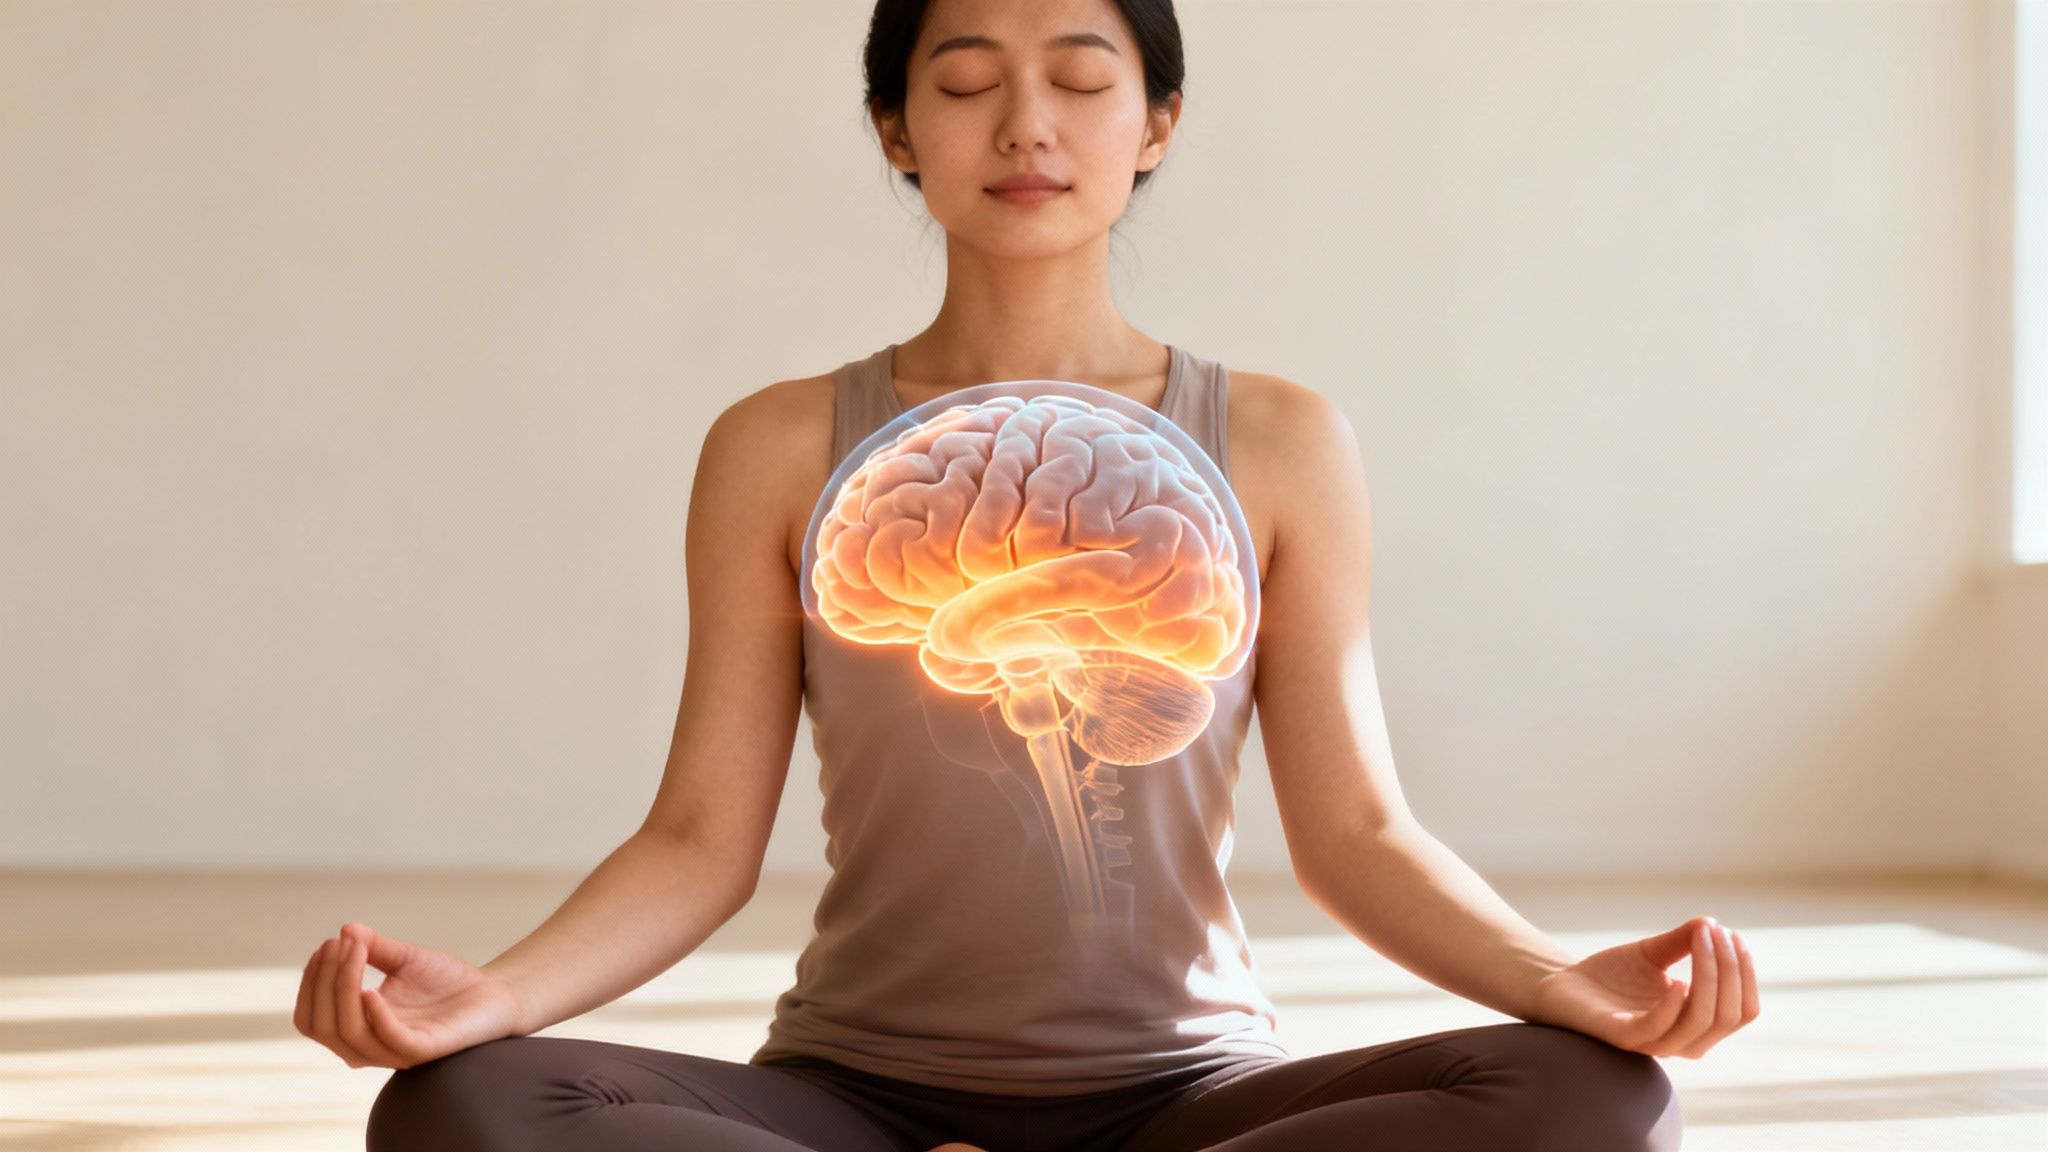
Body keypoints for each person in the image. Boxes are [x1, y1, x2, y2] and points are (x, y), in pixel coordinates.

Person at [297, 1, 1757, 1148]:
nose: (1026, 124)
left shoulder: (1283, 443)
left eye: (1080, 73)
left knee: (1600, 1106)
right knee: (458, 1109)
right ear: (895, 126)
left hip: (1189, 1102)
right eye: (965, 76)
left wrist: (1553, 981)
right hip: (855, 1095)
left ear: (1159, 121)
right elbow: (698, 841)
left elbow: (1359, 831)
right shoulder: (779, 444)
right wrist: (497, 998)